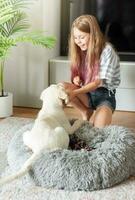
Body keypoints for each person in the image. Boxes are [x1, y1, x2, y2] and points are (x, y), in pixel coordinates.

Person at [62, 15, 120, 128]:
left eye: (82, 37)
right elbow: (77, 74)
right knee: (61, 88)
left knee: (98, 131)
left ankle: (101, 110)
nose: (78, 41)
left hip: (104, 96)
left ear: (93, 34)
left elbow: (97, 82)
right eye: (75, 37)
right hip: (87, 94)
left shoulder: (107, 51)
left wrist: (75, 93)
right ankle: (85, 111)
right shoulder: (79, 50)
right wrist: (76, 78)